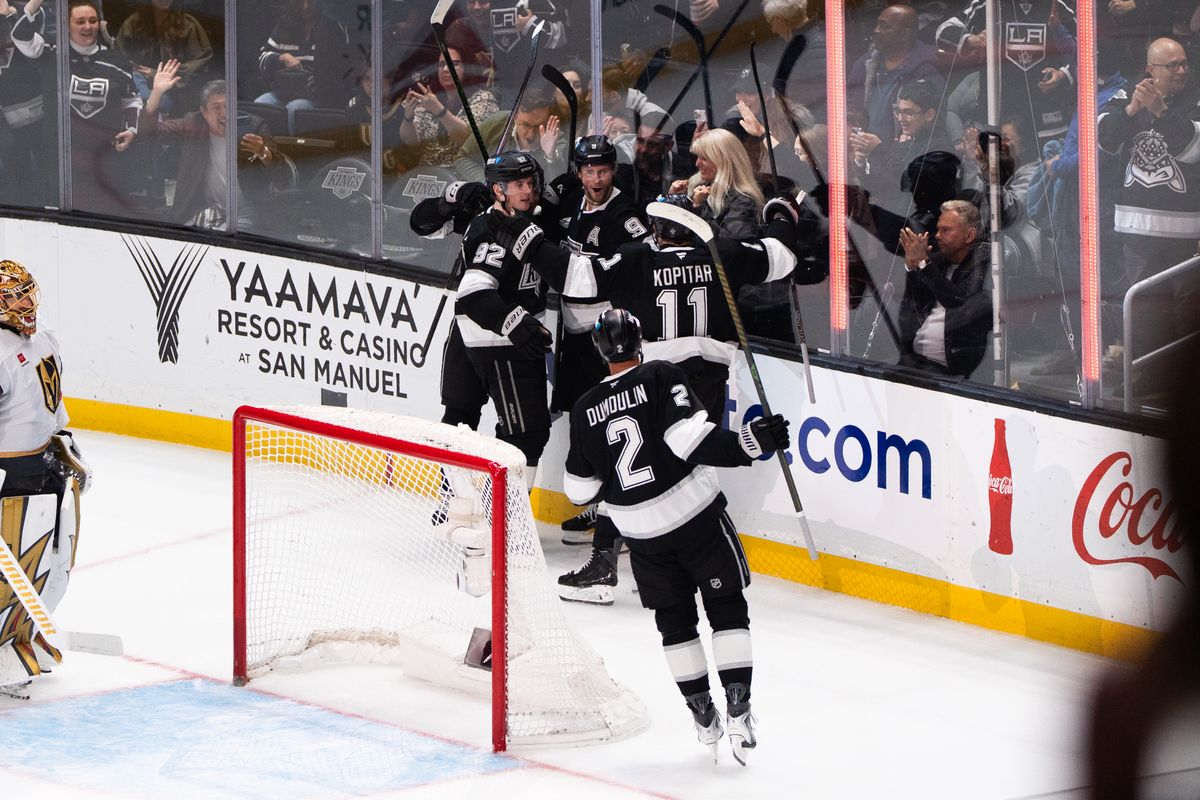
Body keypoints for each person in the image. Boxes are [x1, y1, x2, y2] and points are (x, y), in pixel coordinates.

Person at [563, 307, 791, 764]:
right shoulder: (662, 375)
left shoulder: (585, 407)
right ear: (640, 339)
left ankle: (702, 713)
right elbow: (691, 441)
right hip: (695, 517)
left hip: (641, 536)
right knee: (726, 608)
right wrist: (752, 442)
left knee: (675, 624)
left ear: (599, 350)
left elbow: (578, 490)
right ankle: (739, 705)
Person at [541, 135, 652, 550]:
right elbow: (541, 217)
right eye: (590, 170)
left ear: (613, 170)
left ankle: (614, 508)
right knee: (581, 415)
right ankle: (596, 500)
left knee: (608, 417)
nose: (597, 177)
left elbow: (636, 261)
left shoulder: (625, 214)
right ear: (579, 172)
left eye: (603, 170)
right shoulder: (572, 199)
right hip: (572, 332)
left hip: (606, 337)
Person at [0, 260, 92, 699]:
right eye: (14, 296)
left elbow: (53, 409)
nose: (26, 303)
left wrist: (67, 447)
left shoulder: (45, 342)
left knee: (54, 559)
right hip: (9, 475)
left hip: (47, 465)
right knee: (13, 565)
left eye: (27, 292)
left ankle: (28, 635)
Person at [454, 150, 555, 486]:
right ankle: (503, 523)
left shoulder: (517, 217)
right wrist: (518, 323)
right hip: (500, 343)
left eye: (530, 182)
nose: (527, 190)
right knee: (526, 434)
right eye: (517, 184)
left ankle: (455, 505)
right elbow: (473, 293)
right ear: (498, 190)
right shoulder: (493, 230)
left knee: (460, 419)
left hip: (479, 338)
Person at [1097, 37, 1200, 341]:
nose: (1182, 70)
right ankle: (1144, 380)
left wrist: (1161, 111)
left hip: (1187, 233)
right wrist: (1131, 110)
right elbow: (1104, 140)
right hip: (1137, 227)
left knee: (1186, 316)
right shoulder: (1129, 92)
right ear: (1150, 70)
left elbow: (1193, 149)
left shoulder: (1195, 97)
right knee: (1144, 313)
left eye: (1184, 63)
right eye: (1173, 66)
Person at [144, 66, 285, 229]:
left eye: (228, 106)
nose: (224, 113)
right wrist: (156, 93)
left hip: (247, 211)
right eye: (217, 107)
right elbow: (150, 133)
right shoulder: (194, 123)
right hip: (206, 209)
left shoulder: (255, 126)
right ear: (204, 112)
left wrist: (262, 152)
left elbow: (282, 173)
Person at [37, 0, 144, 214]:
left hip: (104, 158)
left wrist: (131, 129)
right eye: (80, 21)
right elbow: (21, 37)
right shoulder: (52, 55)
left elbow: (131, 99)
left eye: (92, 21)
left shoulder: (115, 60)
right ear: (67, 25)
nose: (88, 26)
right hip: (62, 159)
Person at [897, 200, 993, 378]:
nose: (938, 235)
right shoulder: (938, 261)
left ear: (969, 235)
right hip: (914, 361)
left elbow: (959, 301)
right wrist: (912, 266)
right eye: (938, 229)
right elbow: (911, 306)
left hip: (951, 370)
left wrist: (924, 264)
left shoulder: (983, 262)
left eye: (946, 230)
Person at [255, 0, 352, 133]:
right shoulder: (284, 25)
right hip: (283, 90)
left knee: (295, 109)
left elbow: (342, 66)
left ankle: (292, 151)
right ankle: (264, 151)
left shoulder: (331, 28)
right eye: (301, 2)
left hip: (316, 96)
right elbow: (262, 58)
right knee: (261, 104)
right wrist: (282, 58)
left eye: (310, 2)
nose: (306, 6)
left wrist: (320, 77)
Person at [847, 5, 941, 140]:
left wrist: (889, 150)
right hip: (862, 152)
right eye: (877, 25)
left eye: (884, 26)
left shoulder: (925, 74)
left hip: (899, 157)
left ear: (904, 34)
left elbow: (929, 133)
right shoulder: (863, 64)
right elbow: (848, 110)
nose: (876, 31)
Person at [399, 44, 499, 167]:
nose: (446, 69)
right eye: (441, 65)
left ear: (467, 67)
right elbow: (412, 143)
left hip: (463, 175)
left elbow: (470, 141)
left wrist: (438, 110)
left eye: (454, 64)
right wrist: (408, 117)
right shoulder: (430, 97)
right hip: (429, 176)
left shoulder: (483, 99)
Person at [0, 0, 54, 208]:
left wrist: (13, 15)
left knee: (42, 175)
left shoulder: (28, 15)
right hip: (7, 127)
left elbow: (31, 46)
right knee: (16, 181)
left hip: (38, 117)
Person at [115, 0, 213, 115]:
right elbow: (118, 59)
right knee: (135, 80)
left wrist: (158, 74)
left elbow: (201, 60)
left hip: (174, 91)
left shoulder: (187, 24)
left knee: (150, 103)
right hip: (138, 85)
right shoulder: (133, 23)